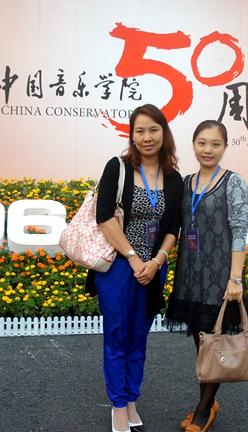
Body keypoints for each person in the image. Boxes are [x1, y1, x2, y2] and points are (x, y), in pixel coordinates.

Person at [85, 104, 184, 432]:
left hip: (152, 271)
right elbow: (104, 218)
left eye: (153, 130)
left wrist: (157, 262)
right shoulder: (118, 167)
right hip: (119, 267)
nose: (147, 137)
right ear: (132, 135)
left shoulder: (174, 178)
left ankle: (131, 400)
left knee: (139, 338)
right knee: (117, 336)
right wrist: (133, 257)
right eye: (139, 131)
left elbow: (174, 226)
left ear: (164, 133)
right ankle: (117, 405)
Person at [166, 120, 248, 432]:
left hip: (220, 277)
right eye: (202, 143)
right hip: (191, 276)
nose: (208, 150)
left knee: (215, 342)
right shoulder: (186, 182)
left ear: (225, 147)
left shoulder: (233, 182)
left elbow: (239, 232)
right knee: (202, 343)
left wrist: (236, 278)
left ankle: (204, 409)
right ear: (194, 144)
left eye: (215, 144)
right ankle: (208, 401)